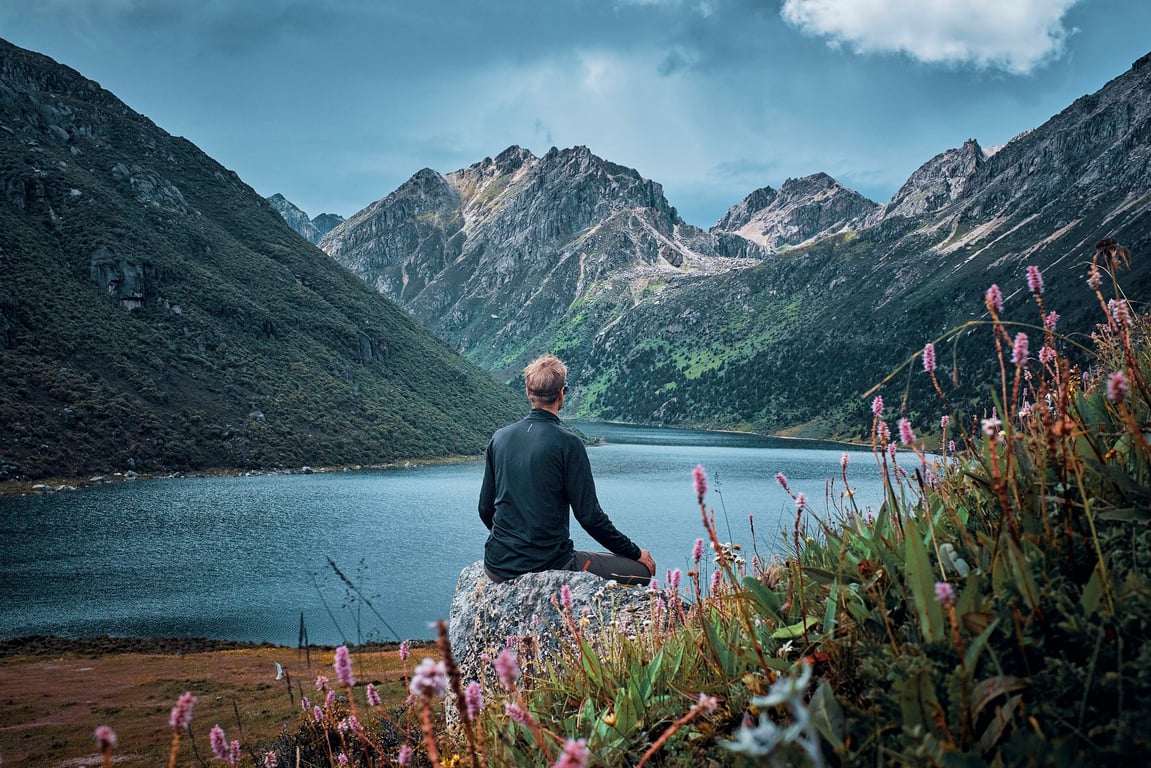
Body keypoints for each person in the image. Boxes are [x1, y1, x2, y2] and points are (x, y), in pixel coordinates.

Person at [478, 354, 655, 585]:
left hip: (497, 565)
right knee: (639, 573)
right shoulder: (568, 444)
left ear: (528, 392)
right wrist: (635, 552)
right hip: (548, 563)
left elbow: (484, 508)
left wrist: (513, 543)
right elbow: (590, 518)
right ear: (562, 393)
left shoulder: (499, 438)